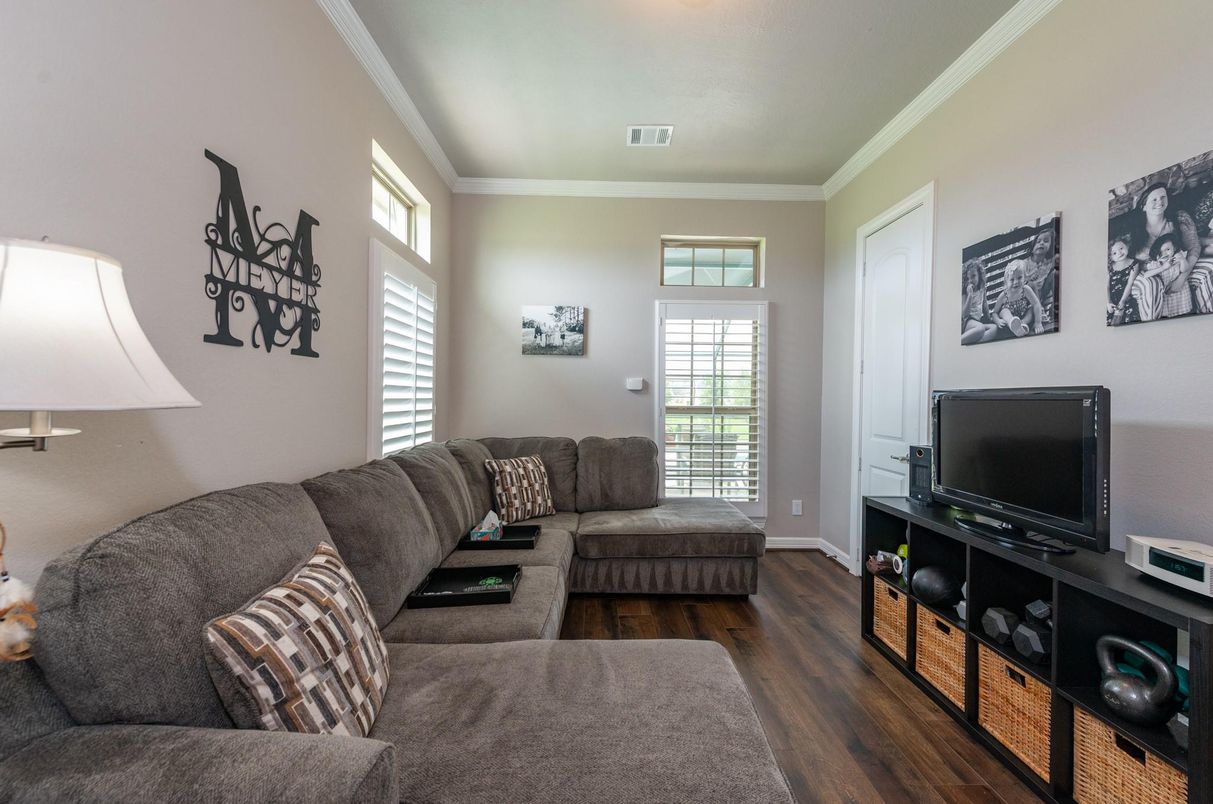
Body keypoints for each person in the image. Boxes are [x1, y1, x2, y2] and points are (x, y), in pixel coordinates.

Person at [1127, 182, 1202, 318]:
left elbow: (1194, 248)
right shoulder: (1135, 229)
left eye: (1163, 197)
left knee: (1206, 274)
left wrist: (1181, 278)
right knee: (1152, 286)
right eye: (1154, 199)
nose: (1160, 202)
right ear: (1143, 206)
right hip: (1148, 275)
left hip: (1176, 270)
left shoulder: (1178, 218)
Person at [1138, 233, 1193, 318]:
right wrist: (1163, 267)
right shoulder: (1157, 263)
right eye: (1161, 251)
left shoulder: (1177, 259)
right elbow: (1145, 275)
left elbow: (1184, 269)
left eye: (1168, 249)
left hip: (1180, 295)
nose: (1165, 253)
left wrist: (1182, 259)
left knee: (1183, 316)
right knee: (1168, 317)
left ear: (1174, 248)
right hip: (1166, 294)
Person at [992, 260, 1044, 337]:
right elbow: (994, 313)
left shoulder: (1026, 290)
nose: (1016, 282)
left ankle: (1022, 324)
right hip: (1009, 319)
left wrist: (1038, 323)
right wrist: (998, 321)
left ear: (1025, 278)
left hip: (1023, 316)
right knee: (1004, 311)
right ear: (1006, 282)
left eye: (1019, 278)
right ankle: (1012, 324)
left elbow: (1036, 304)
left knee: (1031, 309)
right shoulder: (1004, 295)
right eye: (1012, 279)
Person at [1023, 228, 1057, 328]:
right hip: (1024, 297)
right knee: (1031, 284)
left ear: (1051, 246)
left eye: (1046, 241)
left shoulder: (1049, 263)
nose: (1041, 243)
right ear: (1033, 247)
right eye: (1038, 241)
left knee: (1055, 274)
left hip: (1039, 298)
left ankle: (1054, 309)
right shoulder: (1025, 263)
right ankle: (1039, 314)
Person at [1107, 235, 1141, 326]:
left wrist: (1122, 301)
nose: (1119, 253)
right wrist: (1108, 302)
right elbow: (1106, 286)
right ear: (1110, 257)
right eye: (1114, 253)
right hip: (1112, 300)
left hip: (1126, 298)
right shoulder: (1110, 267)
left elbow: (1130, 284)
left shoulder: (1134, 263)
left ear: (1127, 246)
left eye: (1121, 248)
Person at [961, 259, 997, 344]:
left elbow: (984, 304)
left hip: (976, 323)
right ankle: (959, 341)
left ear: (979, 275)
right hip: (967, 322)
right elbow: (964, 315)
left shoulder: (982, 288)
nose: (970, 280)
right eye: (967, 278)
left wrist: (988, 318)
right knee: (980, 328)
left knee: (994, 328)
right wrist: (970, 295)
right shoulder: (965, 292)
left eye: (973, 276)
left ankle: (974, 342)